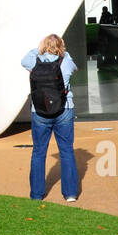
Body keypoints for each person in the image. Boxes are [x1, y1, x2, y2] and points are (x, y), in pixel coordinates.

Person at [21, 34, 80, 202]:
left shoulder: (35, 61)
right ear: (61, 46)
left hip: (39, 111)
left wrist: (39, 49)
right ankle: (70, 194)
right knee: (67, 151)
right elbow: (75, 67)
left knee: (39, 152)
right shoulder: (66, 61)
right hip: (64, 110)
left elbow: (24, 60)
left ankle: (37, 195)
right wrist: (64, 52)